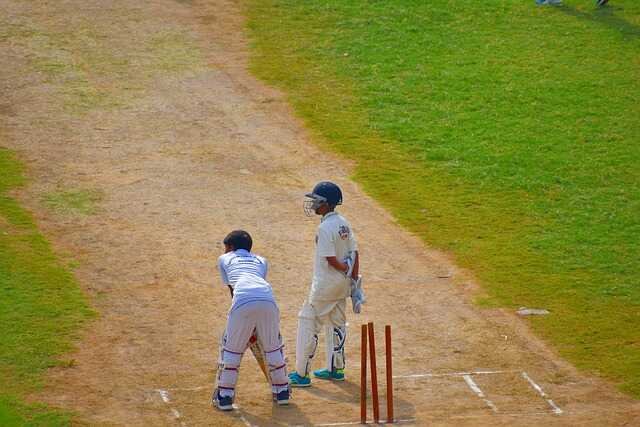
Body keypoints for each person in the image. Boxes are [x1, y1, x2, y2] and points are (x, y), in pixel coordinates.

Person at [288, 181, 364, 387]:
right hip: (342, 285)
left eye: (317, 201)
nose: (313, 204)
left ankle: (302, 374)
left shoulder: (324, 228)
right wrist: (353, 280)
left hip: (325, 286)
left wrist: (344, 269)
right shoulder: (343, 223)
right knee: (336, 322)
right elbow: (354, 253)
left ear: (327, 203)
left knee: (308, 321)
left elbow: (330, 259)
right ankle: (335, 369)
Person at [212, 230, 290, 410]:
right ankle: (282, 392)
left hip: (243, 301)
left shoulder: (224, 259)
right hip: (268, 300)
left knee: (231, 349)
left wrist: (244, 323)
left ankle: (225, 397)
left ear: (230, 247)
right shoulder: (261, 260)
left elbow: (233, 290)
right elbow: (257, 285)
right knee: (273, 347)